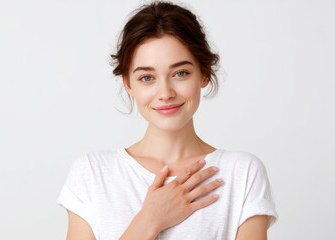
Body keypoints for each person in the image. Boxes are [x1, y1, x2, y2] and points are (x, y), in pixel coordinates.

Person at [57, 1, 277, 239]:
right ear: (128, 83)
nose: (165, 93)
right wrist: (150, 219)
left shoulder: (241, 173)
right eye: (147, 77)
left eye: (180, 73)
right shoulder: (92, 173)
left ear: (204, 74)